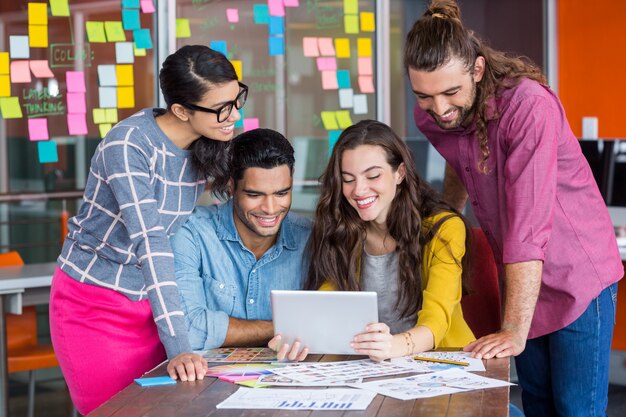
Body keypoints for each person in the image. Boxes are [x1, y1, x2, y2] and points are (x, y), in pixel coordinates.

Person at [404, 1, 623, 416]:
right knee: (537, 405)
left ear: (478, 70)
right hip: (523, 279)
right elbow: (459, 156)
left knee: (576, 409)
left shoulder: (527, 107)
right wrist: (449, 218)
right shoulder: (432, 115)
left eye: (451, 92)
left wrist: (512, 330)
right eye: (425, 96)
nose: (440, 109)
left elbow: (528, 225)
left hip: (577, 275)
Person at [50, 45, 248, 414]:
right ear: (180, 110)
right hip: (95, 306)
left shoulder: (205, 144)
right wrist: (180, 347)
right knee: (117, 411)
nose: (234, 115)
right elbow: (152, 242)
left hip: (153, 306)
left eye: (237, 100)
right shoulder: (128, 145)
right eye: (222, 108)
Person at [270, 119, 475, 362]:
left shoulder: (444, 228)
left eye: (373, 176)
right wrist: (302, 337)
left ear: (400, 173)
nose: (358, 190)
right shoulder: (340, 227)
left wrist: (396, 345)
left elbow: (437, 319)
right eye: (348, 179)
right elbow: (330, 303)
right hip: (368, 368)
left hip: (441, 363)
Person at [172, 128, 312, 350]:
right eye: (255, 195)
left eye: (281, 193)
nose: (270, 208)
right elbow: (187, 330)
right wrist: (285, 330)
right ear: (231, 186)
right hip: (209, 382)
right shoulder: (191, 234)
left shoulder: (310, 239)